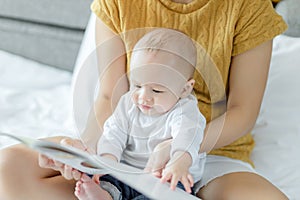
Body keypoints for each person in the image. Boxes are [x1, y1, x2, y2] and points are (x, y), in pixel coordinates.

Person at [0, 0, 289, 199]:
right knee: (8, 168)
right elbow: (109, 94)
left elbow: (242, 111)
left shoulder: (248, 8)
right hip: (127, 144)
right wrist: (88, 152)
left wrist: (178, 150)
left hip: (210, 151)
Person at [74, 28, 206, 200]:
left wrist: (180, 161)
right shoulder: (128, 103)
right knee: (106, 179)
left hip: (165, 176)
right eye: (136, 85)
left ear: (184, 89)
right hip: (128, 171)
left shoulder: (185, 111)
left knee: (169, 193)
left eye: (156, 90)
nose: (143, 97)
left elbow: (187, 136)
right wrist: (107, 162)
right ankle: (105, 194)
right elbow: (113, 134)